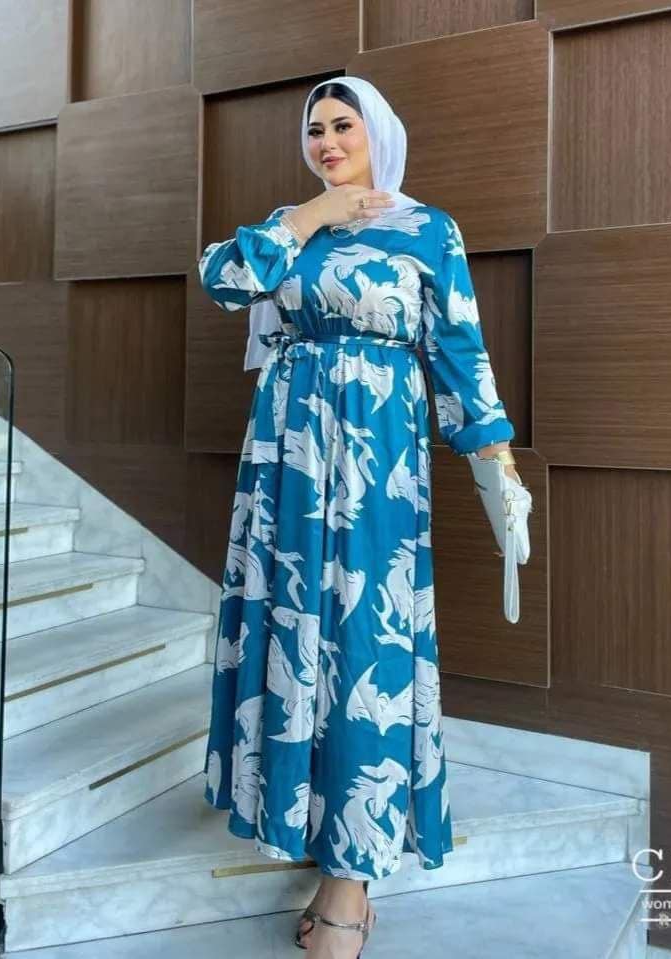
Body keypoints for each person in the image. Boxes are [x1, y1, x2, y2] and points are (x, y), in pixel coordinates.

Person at [197, 76, 518, 959]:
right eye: (315, 129)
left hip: (379, 460)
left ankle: (350, 880)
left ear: (378, 133)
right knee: (292, 626)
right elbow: (222, 281)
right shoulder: (288, 227)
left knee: (364, 636)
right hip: (286, 460)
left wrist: (497, 468)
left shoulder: (427, 229)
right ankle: (296, 811)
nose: (328, 141)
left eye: (344, 125)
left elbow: (458, 350)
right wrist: (313, 215)